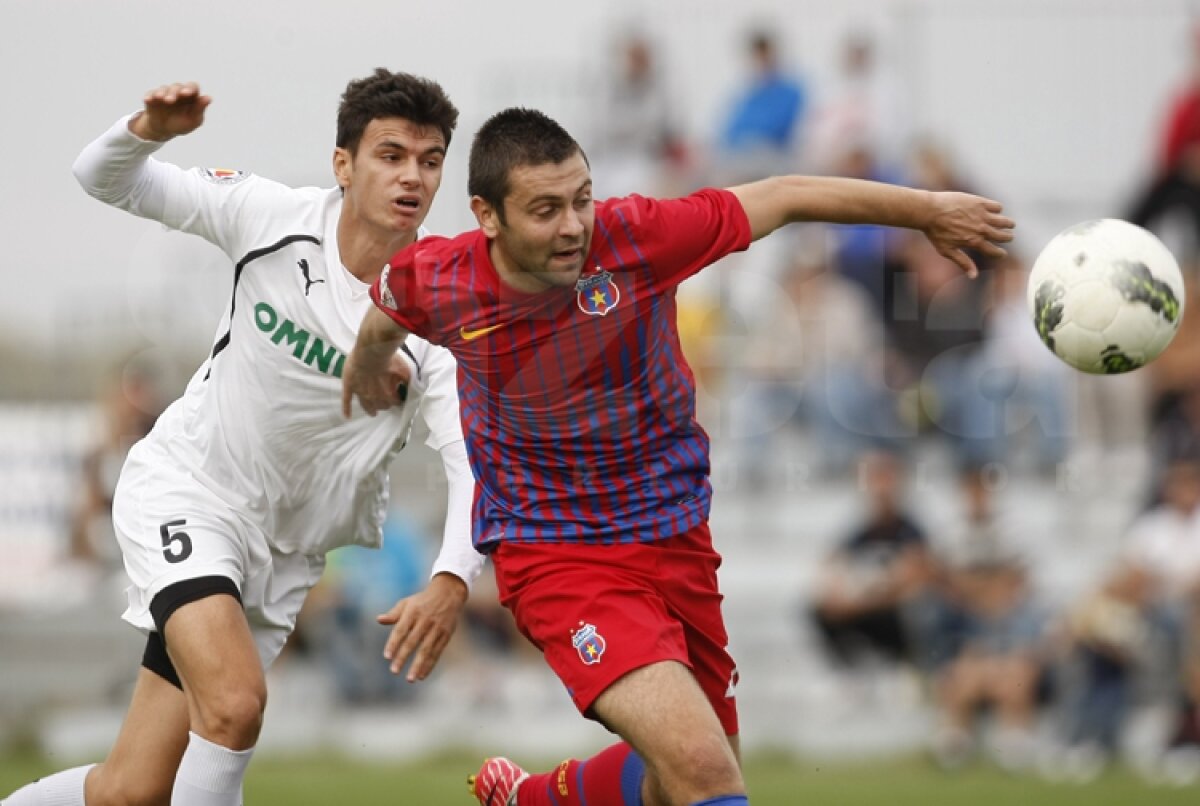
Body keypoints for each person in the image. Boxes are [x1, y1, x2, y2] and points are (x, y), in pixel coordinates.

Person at [341, 107, 1014, 806]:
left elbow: (782, 196)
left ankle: (540, 800)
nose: (573, 225)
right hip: (557, 555)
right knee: (709, 776)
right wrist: (367, 367)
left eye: (581, 199)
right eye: (545, 210)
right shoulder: (443, 277)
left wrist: (927, 210)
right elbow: (386, 311)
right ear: (488, 216)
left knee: (682, 779)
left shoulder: (636, 237)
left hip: (675, 540)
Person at [3, 71, 482, 806]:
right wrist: (151, 131)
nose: (412, 175)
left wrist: (452, 579)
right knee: (234, 704)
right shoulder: (271, 216)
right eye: (391, 155)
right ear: (344, 165)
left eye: (430, 158)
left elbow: (469, 462)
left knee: (129, 792)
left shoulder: (444, 310)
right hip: (190, 495)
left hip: (284, 558)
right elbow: (100, 177)